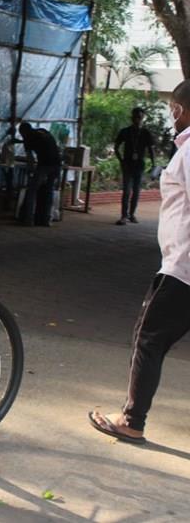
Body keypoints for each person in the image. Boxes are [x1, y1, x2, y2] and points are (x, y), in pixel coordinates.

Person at [89, 80, 190, 444]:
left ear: (179, 109)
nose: (172, 114)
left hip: (182, 269)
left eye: (173, 108)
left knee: (148, 338)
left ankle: (131, 421)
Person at [114, 107, 156, 225]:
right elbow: (116, 147)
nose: (137, 119)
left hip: (139, 166)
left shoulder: (146, 132)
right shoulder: (125, 131)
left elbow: (151, 149)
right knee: (127, 191)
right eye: (135, 117)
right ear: (131, 118)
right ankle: (124, 216)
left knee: (136, 191)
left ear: (143, 118)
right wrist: (121, 160)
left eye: (139, 117)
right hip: (127, 165)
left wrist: (154, 164)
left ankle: (132, 214)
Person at [16, 121, 62, 226]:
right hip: (57, 164)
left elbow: (30, 159)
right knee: (48, 191)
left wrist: (31, 171)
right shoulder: (43, 131)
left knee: (32, 191)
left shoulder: (28, 138)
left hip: (44, 165)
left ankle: (29, 219)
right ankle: (46, 220)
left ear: (23, 132)